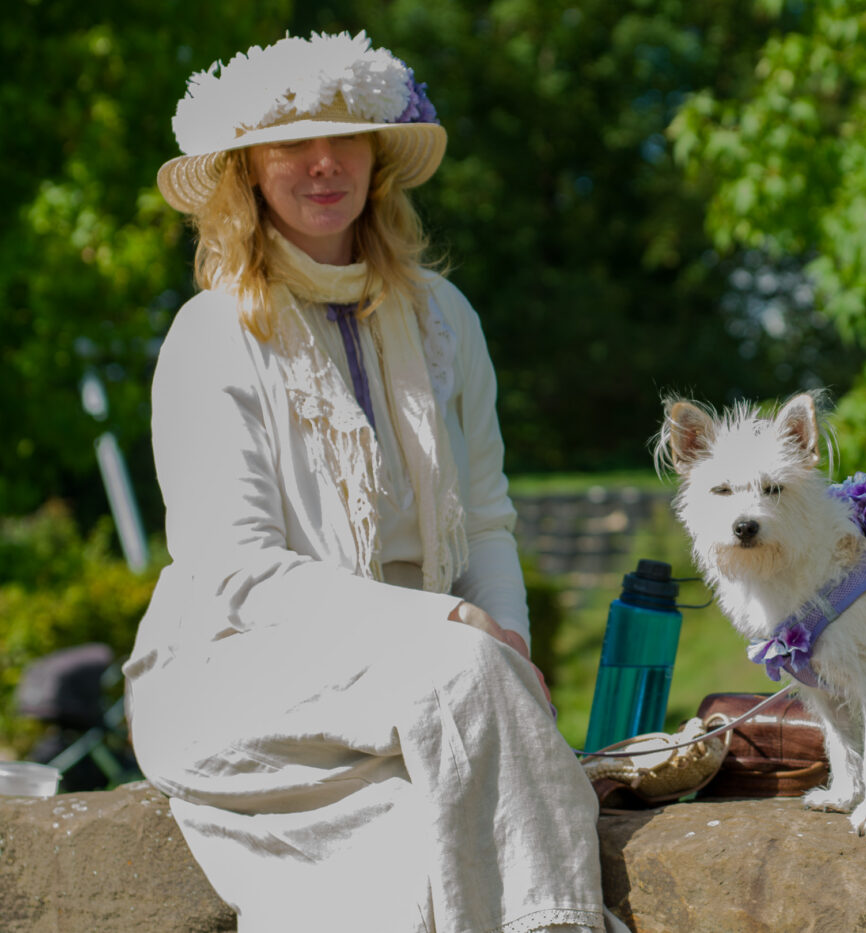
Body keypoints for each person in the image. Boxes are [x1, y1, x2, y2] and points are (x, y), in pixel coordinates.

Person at [123, 31, 625, 933]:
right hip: (240, 673)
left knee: (418, 818)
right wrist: (450, 629)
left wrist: (504, 641)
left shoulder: (446, 318)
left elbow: (489, 522)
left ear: (378, 158)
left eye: (345, 138)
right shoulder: (210, 336)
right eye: (290, 145)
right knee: (467, 672)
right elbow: (238, 570)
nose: (323, 164)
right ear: (246, 172)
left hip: (431, 676)